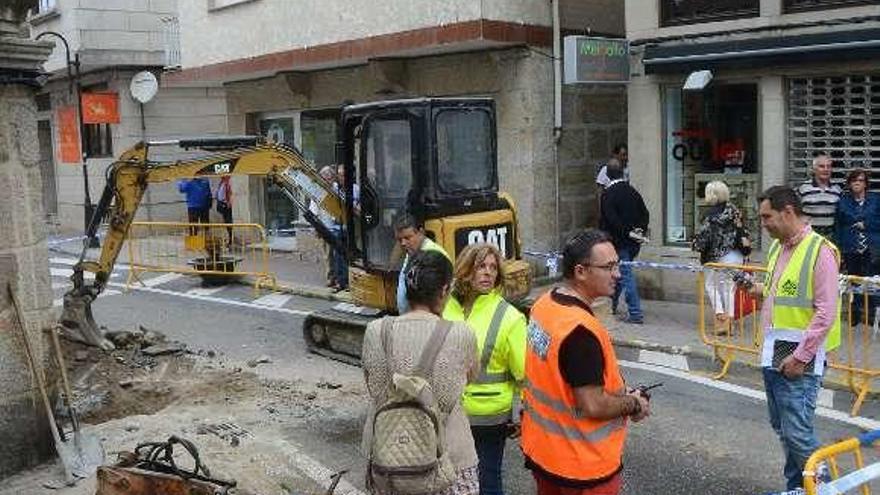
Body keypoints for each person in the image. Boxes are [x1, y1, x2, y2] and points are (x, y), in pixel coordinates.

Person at [522, 229, 650, 495]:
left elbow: (557, 378)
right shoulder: (581, 331)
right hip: (583, 467)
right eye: (609, 267)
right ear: (580, 271)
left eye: (618, 265)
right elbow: (593, 404)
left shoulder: (544, 305)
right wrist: (634, 403)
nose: (617, 274)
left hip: (545, 455)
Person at [362, 250, 480, 495]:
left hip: (388, 460)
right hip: (449, 462)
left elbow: (373, 384)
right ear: (445, 290)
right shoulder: (461, 334)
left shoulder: (375, 331)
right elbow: (468, 379)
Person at [753, 185, 841, 491]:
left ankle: (826, 487)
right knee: (785, 430)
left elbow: (826, 313)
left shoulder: (821, 251)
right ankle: (798, 487)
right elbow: (777, 294)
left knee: (798, 433)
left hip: (800, 359)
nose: (763, 224)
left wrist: (801, 357)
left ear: (788, 212)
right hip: (774, 353)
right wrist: (756, 291)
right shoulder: (779, 247)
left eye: (767, 217)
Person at [442, 243, 526, 495]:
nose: (488, 273)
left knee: (487, 481)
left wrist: (523, 415)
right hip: (449, 413)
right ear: (466, 270)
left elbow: (526, 376)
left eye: (492, 268)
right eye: (481, 266)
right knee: (450, 481)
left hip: (489, 418)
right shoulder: (446, 307)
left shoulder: (510, 317)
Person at [691, 181, 751, 334]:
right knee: (729, 289)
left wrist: (694, 244)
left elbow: (704, 239)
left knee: (711, 286)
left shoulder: (711, 215)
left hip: (716, 257)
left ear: (712, 195)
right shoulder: (735, 211)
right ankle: (729, 322)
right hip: (736, 254)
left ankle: (720, 318)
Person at [599, 159, 649, 324]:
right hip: (634, 243)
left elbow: (610, 220)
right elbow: (645, 213)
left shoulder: (608, 194)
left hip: (618, 242)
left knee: (625, 276)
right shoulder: (632, 191)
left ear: (607, 175)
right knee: (619, 274)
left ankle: (635, 313)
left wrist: (623, 233)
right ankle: (612, 306)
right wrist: (638, 231)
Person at [834, 169, 880, 328]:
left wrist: (866, 224)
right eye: (854, 180)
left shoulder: (876, 200)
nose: (857, 183)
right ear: (849, 184)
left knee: (873, 281)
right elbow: (838, 226)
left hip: (872, 247)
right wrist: (838, 249)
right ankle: (855, 314)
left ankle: (874, 316)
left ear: (866, 183)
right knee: (853, 281)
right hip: (850, 246)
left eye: (860, 180)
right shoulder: (843, 201)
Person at [395, 214, 450, 314]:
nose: (403, 243)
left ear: (421, 232)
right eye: (399, 240)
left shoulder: (435, 257)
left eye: (407, 238)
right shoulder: (412, 252)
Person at [797, 153, 841, 239]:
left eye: (828, 166)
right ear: (814, 169)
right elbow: (795, 213)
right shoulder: (803, 189)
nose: (826, 169)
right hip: (808, 237)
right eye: (822, 166)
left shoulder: (837, 190)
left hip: (831, 238)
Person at [215, 176, 233, 244]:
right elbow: (218, 194)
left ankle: (230, 237)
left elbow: (230, 194)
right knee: (225, 221)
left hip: (226, 204)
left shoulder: (227, 184)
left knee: (228, 221)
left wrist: (228, 202)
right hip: (221, 203)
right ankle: (227, 237)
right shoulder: (221, 183)